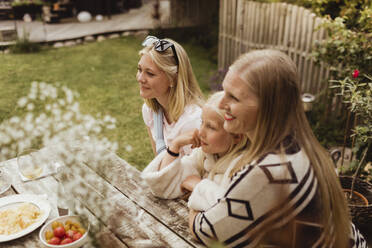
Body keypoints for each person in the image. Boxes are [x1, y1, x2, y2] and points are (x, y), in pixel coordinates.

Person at [189, 50, 367, 248]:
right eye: (224, 92)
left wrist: (196, 202)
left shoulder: (268, 173)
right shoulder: (298, 144)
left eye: (234, 98)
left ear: (267, 107)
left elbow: (205, 231)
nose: (222, 104)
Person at [141, 91, 248, 211]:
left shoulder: (244, 170)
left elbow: (229, 211)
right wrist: (175, 146)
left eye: (211, 127)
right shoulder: (204, 156)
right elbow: (162, 186)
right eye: (202, 122)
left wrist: (198, 185)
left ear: (237, 137)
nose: (201, 132)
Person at [137, 36, 204, 156]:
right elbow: (158, 160)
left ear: (173, 78)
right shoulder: (150, 111)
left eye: (150, 73)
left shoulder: (193, 122)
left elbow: (198, 171)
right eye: (139, 69)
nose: (140, 78)